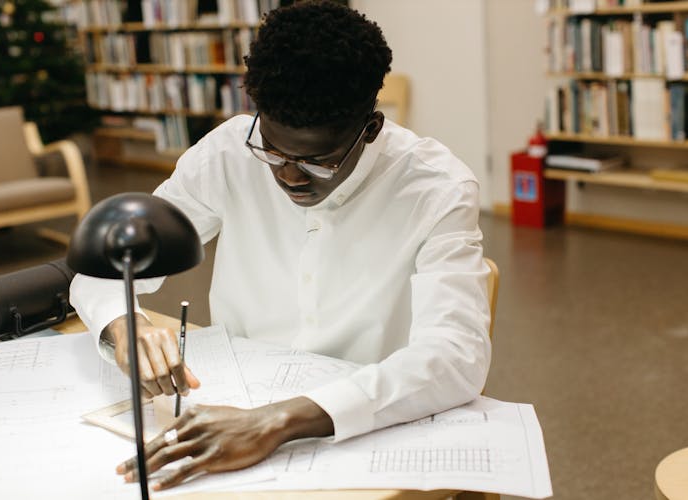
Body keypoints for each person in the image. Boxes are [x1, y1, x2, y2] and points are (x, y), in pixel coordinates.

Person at [70, 0, 491, 491]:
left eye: (318, 161)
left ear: (370, 130)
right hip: (230, 400)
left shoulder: (437, 188)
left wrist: (278, 421)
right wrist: (125, 326)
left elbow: (457, 356)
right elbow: (108, 266)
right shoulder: (227, 153)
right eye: (271, 149)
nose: (289, 176)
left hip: (362, 422)